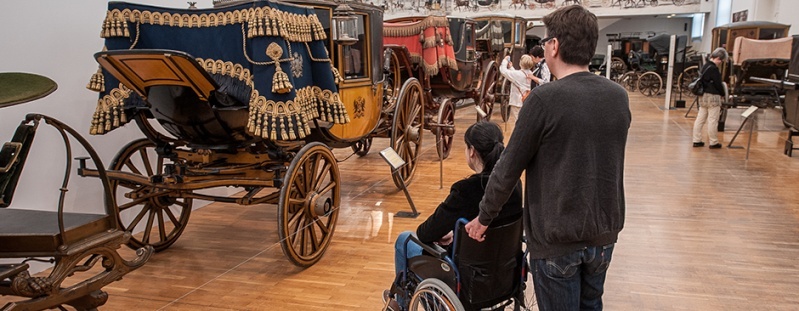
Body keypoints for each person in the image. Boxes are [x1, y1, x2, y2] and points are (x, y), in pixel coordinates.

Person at [464, 5, 631, 311]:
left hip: (558, 237)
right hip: (604, 233)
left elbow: (507, 169)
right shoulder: (617, 96)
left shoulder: (544, 99)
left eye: (544, 42)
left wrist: (483, 218)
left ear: (554, 45)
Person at [384, 121, 523, 311]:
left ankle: (402, 305)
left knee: (404, 240)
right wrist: (456, 234)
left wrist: (448, 234)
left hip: (468, 281)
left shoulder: (466, 190)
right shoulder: (514, 185)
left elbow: (424, 233)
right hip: (505, 275)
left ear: (472, 151)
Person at [692, 47, 728, 149]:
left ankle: (696, 140)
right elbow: (718, 84)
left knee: (700, 119)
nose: (720, 62)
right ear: (717, 58)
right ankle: (713, 142)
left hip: (703, 96)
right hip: (713, 97)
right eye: (720, 60)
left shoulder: (705, 66)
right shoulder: (714, 69)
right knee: (713, 120)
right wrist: (722, 94)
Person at [499, 54, 536, 123]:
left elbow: (503, 71)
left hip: (517, 102)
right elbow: (517, 76)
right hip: (525, 100)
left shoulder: (518, 74)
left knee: (518, 121)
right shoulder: (530, 73)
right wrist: (511, 67)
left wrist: (505, 60)